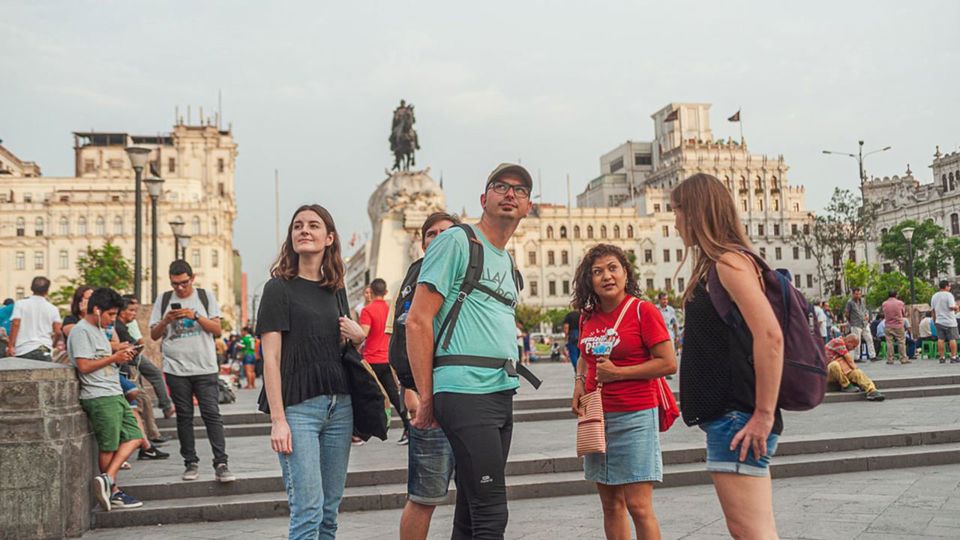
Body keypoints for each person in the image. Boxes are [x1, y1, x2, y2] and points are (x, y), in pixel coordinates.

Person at [407, 162, 533, 539]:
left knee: (470, 507)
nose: (510, 194)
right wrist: (427, 395)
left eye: (520, 190)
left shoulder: (507, 260)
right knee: (492, 510)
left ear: (528, 207)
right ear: (484, 198)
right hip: (463, 389)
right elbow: (417, 320)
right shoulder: (456, 241)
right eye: (501, 186)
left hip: (499, 389)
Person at [672, 173, 783, 539]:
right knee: (757, 530)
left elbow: (770, 336)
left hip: (737, 418)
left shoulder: (729, 264)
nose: (674, 222)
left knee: (749, 533)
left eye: (677, 212)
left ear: (696, 213)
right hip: (733, 416)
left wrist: (764, 415)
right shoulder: (723, 264)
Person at [258, 204, 366, 540]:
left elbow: (341, 350)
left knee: (329, 512)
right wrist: (278, 419)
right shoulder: (277, 288)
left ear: (329, 237)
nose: (304, 230)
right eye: (298, 226)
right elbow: (270, 358)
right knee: (307, 511)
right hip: (298, 409)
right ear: (291, 238)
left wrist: (359, 338)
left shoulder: (336, 288)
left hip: (341, 407)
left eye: (313, 225)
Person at [570, 244, 676, 539]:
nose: (606, 276)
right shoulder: (587, 316)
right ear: (589, 280)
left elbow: (668, 363)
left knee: (639, 506)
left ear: (625, 273)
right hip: (597, 417)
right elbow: (583, 354)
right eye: (597, 271)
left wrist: (619, 373)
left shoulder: (644, 311)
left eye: (613, 268)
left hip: (635, 416)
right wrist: (579, 382)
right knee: (610, 505)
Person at [395, 211, 459, 540]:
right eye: (431, 234)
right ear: (422, 244)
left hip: (470, 400)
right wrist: (418, 392)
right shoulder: (417, 276)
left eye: (446, 233)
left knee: (478, 493)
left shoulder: (468, 273)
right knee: (423, 496)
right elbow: (403, 336)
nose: (437, 239)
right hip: (430, 403)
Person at [149, 260, 234, 483]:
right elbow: (154, 335)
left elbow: (216, 329)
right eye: (175, 284)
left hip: (204, 366)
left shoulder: (205, 296)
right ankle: (190, 462)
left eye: (184, 283)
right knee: (184, 417)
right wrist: (166, 319)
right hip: (176, 368)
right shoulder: (164, 299)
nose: (180, 288)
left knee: (212, 414)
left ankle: (221, 462)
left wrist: (196, 316)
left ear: (192, 278)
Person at [67, 287, 143, 511]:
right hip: (99, 395)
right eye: (110, 314)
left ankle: (107, 479)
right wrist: (114, 357)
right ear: (97, 310)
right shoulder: (81, 331)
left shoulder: (100, 330)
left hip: (113, 391)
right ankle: (114, 490)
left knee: (135, 436)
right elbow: (84, 366)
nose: (113, 319)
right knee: (108, 446)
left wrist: (120, 358)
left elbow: (103, 359)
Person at [360, 278, 412, 442]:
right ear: (386, 292)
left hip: (371, 360)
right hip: (387, 359)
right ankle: (408, 426)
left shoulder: (367, 310)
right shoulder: (390, 308)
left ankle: (361, 432)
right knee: (395, 397)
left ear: (371, 292)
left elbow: (364, 333)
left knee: (364, 395)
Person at [118, 294, 176, 422]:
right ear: (121, 311)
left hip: (132, 359)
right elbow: (136, 344)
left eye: (136, 310)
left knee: (142, 393)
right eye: (131, 310)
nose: (134, 314)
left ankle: (163, 410)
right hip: (126, 363)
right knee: (139, 395)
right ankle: (164, 408)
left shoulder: (125, 325)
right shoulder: (119, 327)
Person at [7, 276, 62, 361]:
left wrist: (11, 346)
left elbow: (16, 324)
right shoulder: (53, 308)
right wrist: (53, 345)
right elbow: (58, 332)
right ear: (47, 291)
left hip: (23, 349)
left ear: (31, 288)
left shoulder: (20, 304)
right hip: (44, 349)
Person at [825, 335, 885, 401]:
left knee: (857, 372)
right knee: (834, 365)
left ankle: (872, 390)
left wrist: (856, 372)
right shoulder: (838, 341)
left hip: (841, 371)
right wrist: (855, 368)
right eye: (853, 346)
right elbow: (849, 360)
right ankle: (846, 386)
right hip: (828, 373)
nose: (853, 349)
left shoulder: (843, 346)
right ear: (849, 341)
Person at [930, 280, 959, 364]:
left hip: (939, 321)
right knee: (952, 339)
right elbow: (951, 307)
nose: (950, 288)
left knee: (940, 339)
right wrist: (957, 307)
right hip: (949, 321)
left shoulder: (934, 296)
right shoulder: (948, 295)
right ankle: (953, 357)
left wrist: (934, 320)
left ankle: (942, 357)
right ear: (946, 287)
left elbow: (933, 310)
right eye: (949, 286)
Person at [844, 288, 875, 362]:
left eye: (859, 294)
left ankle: (872, 356)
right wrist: (850, 321)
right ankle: (856, 357)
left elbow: (865, 309)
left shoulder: (863, 300)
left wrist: (867, 315)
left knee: (869, 338)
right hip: (855, 324)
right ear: (853, 294)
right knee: (857, 341)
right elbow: (846, 313)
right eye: (856, 294)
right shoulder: (850, 302)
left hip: (864, 323)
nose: (858, 295)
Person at [881, 290, 909, 364]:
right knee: (901, 342)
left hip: (888, 325)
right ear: (896, 295)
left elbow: (884, 313)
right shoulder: (900, 303)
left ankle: (890, 359)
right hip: (898, 325)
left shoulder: (884, 304)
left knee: (889, 343)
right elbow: (903, 313)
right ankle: (903, 359)